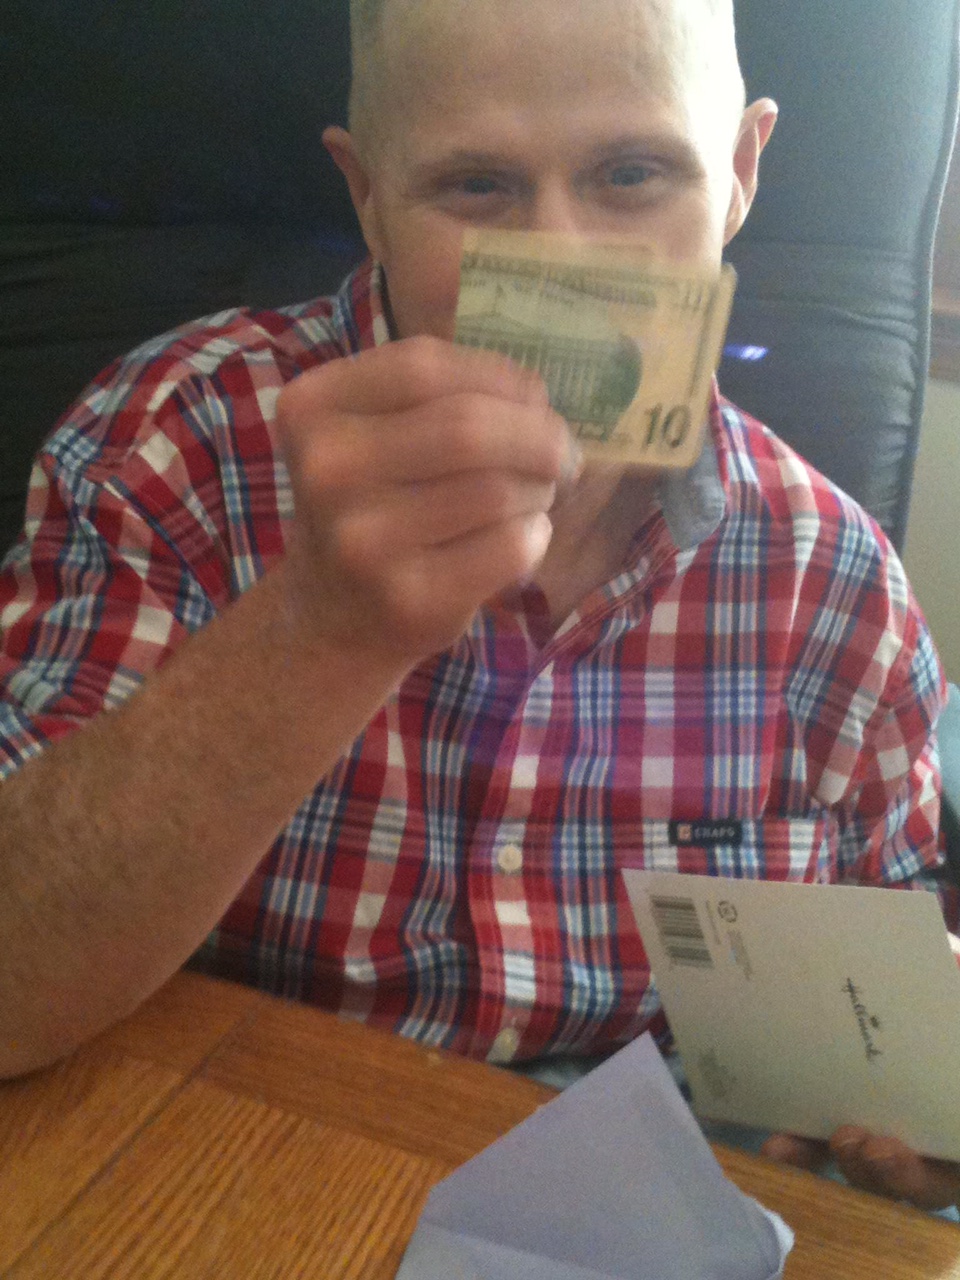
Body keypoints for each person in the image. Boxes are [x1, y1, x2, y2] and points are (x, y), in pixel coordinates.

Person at [0, 0, 957, 1209]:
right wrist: (314, 630)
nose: (562, 260)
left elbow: (883, 1024)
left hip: (620, 1204)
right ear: (368, 198)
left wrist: (906, 1111)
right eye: (477, 186)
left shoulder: (838, 589)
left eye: (632, 173)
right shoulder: (172, 448)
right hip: (222, 1167)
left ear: (739, 174)